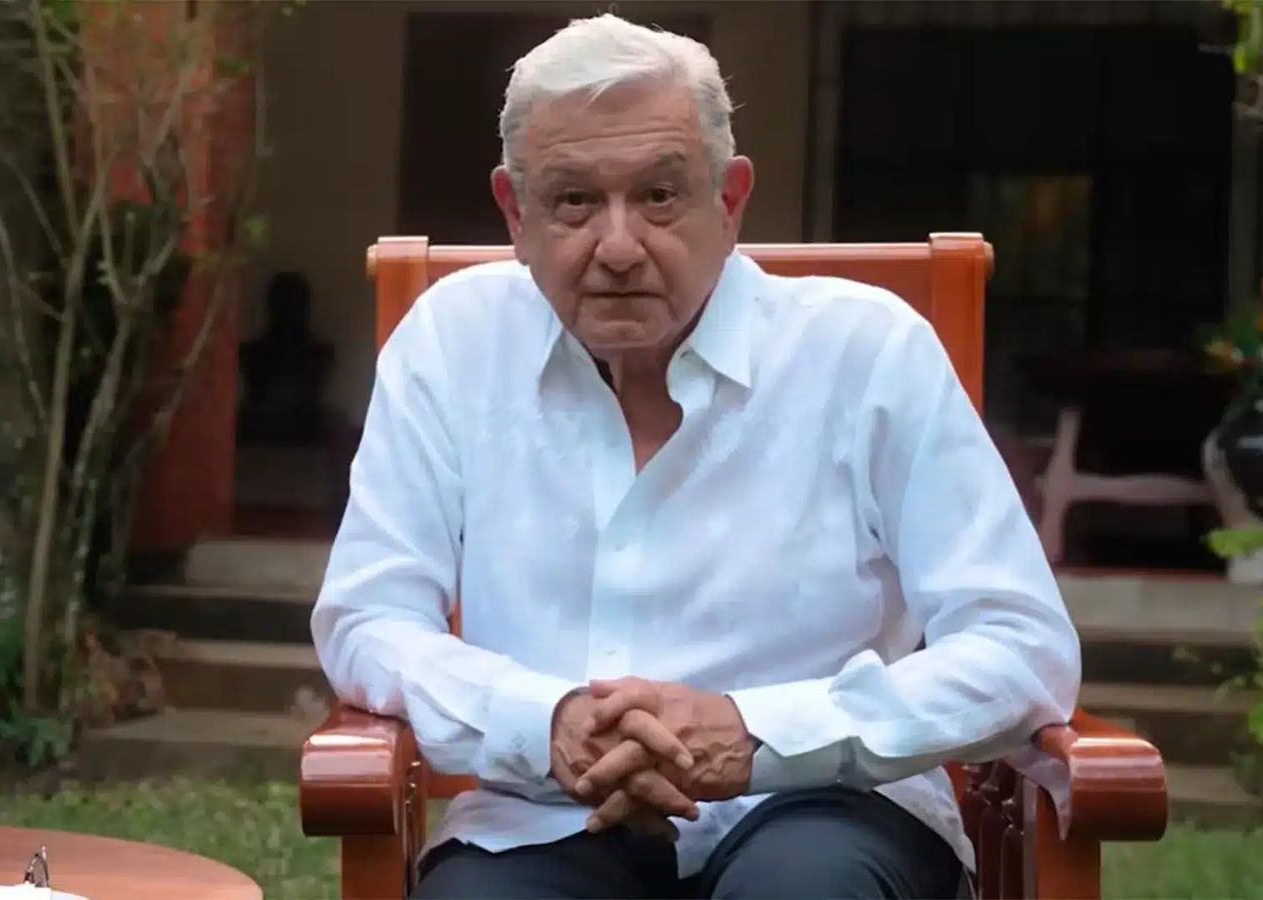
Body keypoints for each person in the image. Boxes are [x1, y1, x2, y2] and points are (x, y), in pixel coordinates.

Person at [312, 13, 1079, 899]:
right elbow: (369, 618)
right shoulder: (452, 344)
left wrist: (758, 734)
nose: (618, 247)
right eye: (573, 201)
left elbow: (1020, 646)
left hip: (827, 804)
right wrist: (542, 721)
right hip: (547, 811)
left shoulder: (867, 351)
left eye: (660, 195)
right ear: (515, 214)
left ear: (730, 200)